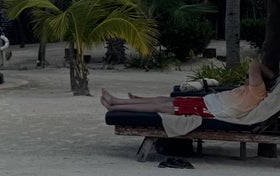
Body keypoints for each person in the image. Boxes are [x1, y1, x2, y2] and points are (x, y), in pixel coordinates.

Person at [100, 59, 276, 119]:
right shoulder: (249, 91)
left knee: (160, 107)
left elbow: (254, 64)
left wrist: (271, 76)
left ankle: (115, 106)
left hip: (209, 110)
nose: (246, 78)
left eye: (248, 78)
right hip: (209, 103)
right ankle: (119, 101)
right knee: (165, 100)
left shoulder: (257, 91)